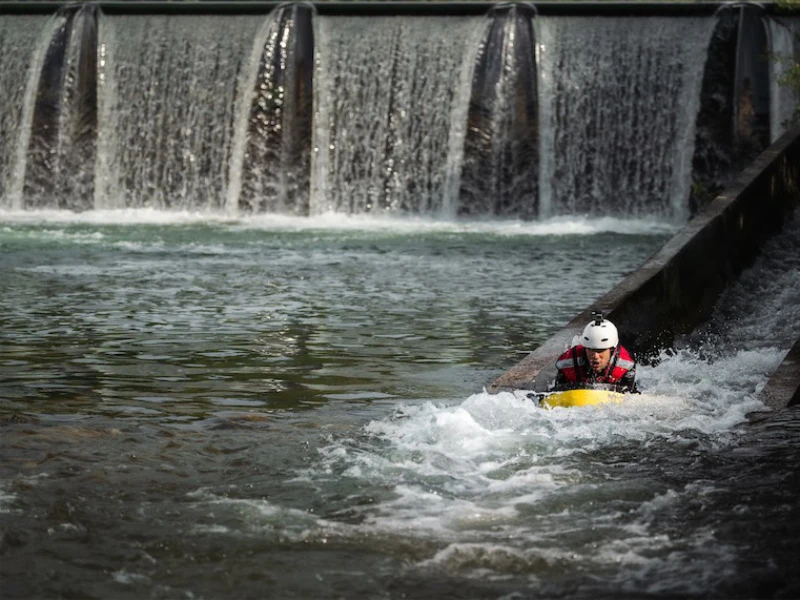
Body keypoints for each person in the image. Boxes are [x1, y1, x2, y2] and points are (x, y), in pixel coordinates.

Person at [552, 311, 639, 393]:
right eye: (590, 349)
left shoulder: (625, 365)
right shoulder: (567, 363)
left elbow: (629, 398)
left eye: (600, 350)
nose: (595, 356)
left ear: (612, 350)